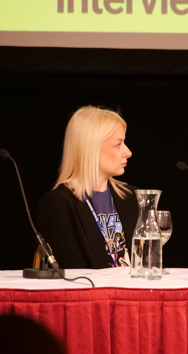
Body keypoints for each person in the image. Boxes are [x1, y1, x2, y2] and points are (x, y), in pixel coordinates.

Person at [37, 106, 138, 269]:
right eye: (118, 144)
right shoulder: (57, 204)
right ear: (92, 149)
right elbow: (73, 271)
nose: (128, 152)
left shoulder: (133, 196)